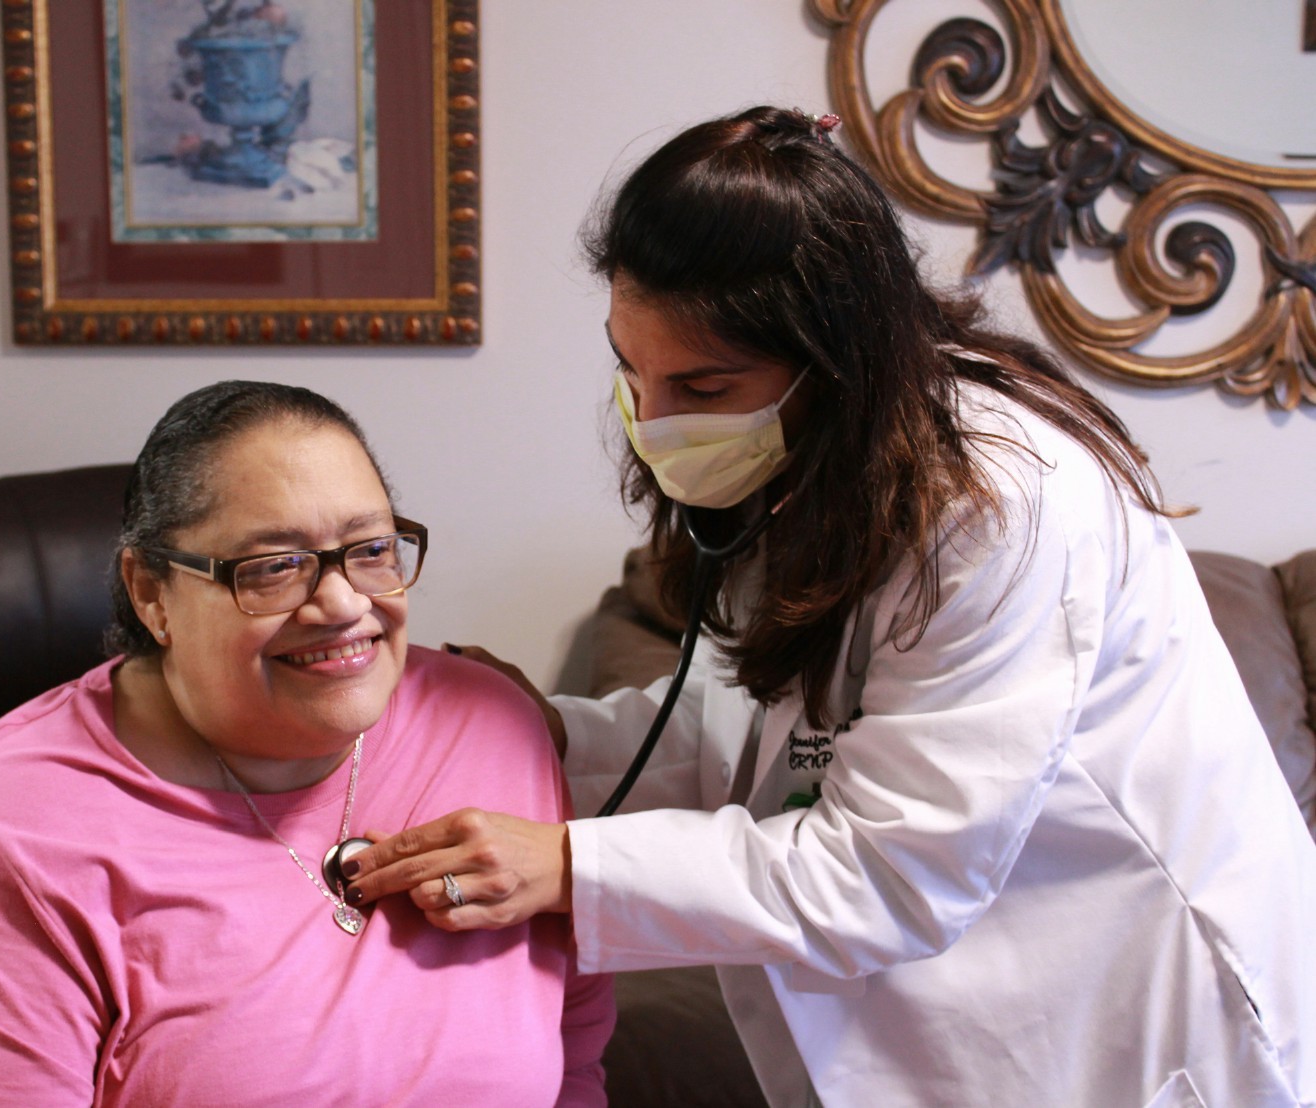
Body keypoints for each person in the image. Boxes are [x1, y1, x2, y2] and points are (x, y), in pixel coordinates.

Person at [342, 107, 1316, 1106]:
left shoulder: (1003, 508)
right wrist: (538, 738)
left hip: (1128, 1017)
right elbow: (774, 730)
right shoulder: (806, 471)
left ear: (835, 361)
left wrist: (566, 863)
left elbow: (892, 872)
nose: (657, 423)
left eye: (704, 383)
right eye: (632, 372)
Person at [0, 381, 613, 1106]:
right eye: (275, 567)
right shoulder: (17, 820)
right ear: (151, 593)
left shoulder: (489, 727)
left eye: (372, 549)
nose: (342, 603)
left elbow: (571, 1054)